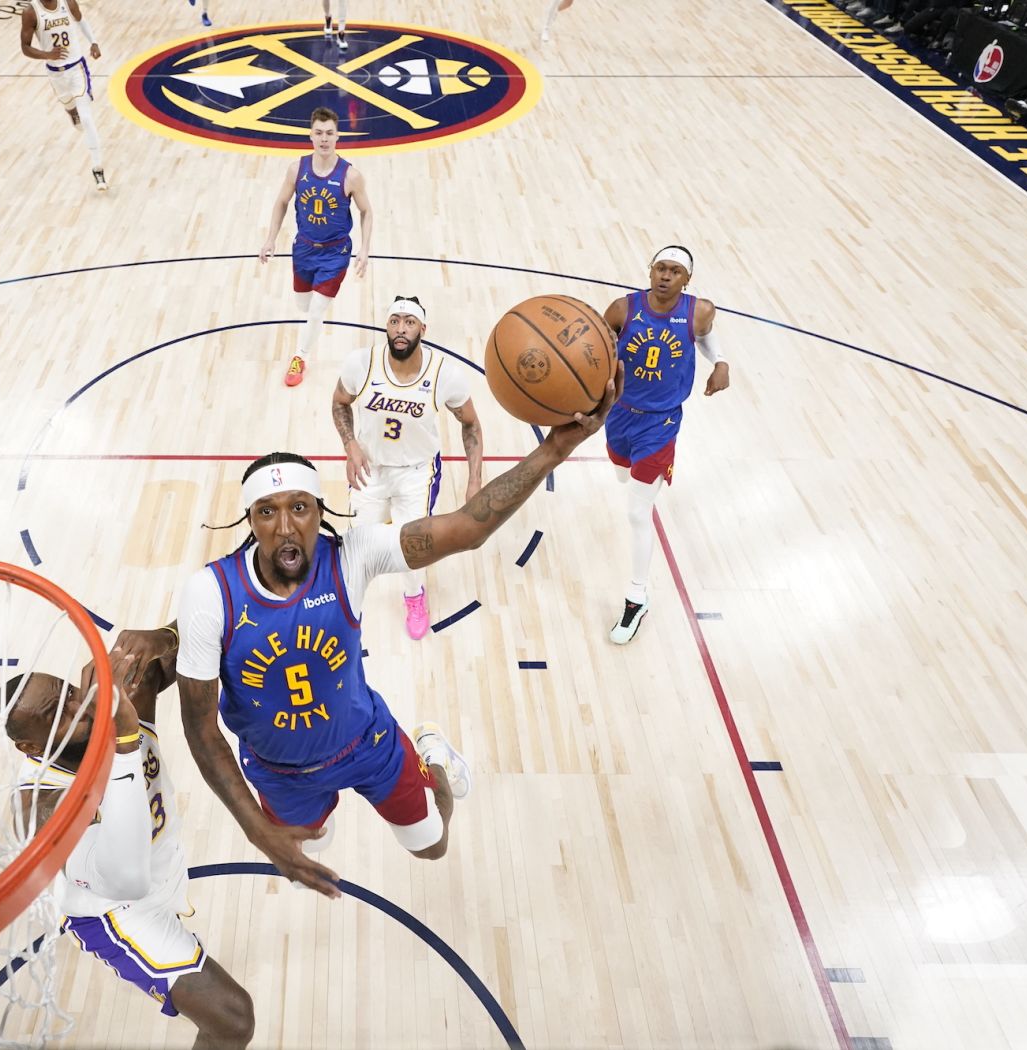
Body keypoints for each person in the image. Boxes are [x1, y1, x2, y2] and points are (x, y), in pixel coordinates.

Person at [174, 385, 616, 898]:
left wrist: (554, 449)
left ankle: (433, 752)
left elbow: (466, 530)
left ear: (321, 511)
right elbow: (201, 731)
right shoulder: (210, 592)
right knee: (310, 841)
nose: (286, 526)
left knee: (432, 844)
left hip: (367, 744)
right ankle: (314, 815)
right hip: (278, 771)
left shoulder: (352, 555)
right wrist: (259, 833)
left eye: (299, 506)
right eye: (267, 512)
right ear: (250, 522)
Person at [0, 632, 255, 1049]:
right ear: (30, 746)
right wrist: (125, 739)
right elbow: (124, 879)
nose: (81, 709)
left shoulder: (111, 700)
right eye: (58, 714)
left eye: (71, 693)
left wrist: (162, 638)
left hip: (162, 862)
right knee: (233, 1018)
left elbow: (211, 621)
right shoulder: (42, 809)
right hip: (115, 910)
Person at [331, 295, 483, 639]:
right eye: (395, 321)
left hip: (417, 471)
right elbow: (340, 401)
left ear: (422, 329)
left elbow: (471, 424)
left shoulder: (445, 375)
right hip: (369, 468)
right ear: (386, 325)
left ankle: (414, 596)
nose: (401, 328)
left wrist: (474, 480)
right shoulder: (361, 363)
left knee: (411, 545)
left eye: (409, 322)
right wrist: (350, 444)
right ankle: (349, 601)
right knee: (358, 543)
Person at [602, 246, 730, 645]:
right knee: (621, 476)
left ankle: (636, 596)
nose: (666, 276)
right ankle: (633, 474)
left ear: (686, 279)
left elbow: (706, 337)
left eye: (675, 271)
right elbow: (596, 349)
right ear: (650, 270)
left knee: (638, 512)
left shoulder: (700, 312)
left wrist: (720, 362)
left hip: (661, 422)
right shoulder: (623, 309)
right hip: (620, 413)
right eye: (661, 268)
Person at [258, 107, 374, 388]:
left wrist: (364, 249)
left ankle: (300, 356)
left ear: (338, 136)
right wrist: (270, 238)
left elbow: (366, 211)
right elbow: (281, 202)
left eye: (329, 133)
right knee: (303, 304)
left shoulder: (351, 176)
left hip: (336, 252)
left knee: (316, 310)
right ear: (311, 135)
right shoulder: (297, 169)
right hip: (304, 248)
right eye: (319, 133)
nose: (324, 139)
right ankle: (312, 326)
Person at [20, 0, 108, 190]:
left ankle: (97, 168)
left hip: (77, 68)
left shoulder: (67, 3)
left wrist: (93, 42)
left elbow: (81, 20)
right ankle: (70, 110)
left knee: (86, 118)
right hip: (55, 72)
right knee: (69, 105)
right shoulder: (30, 12)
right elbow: (25, 47)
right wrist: (47, 55)